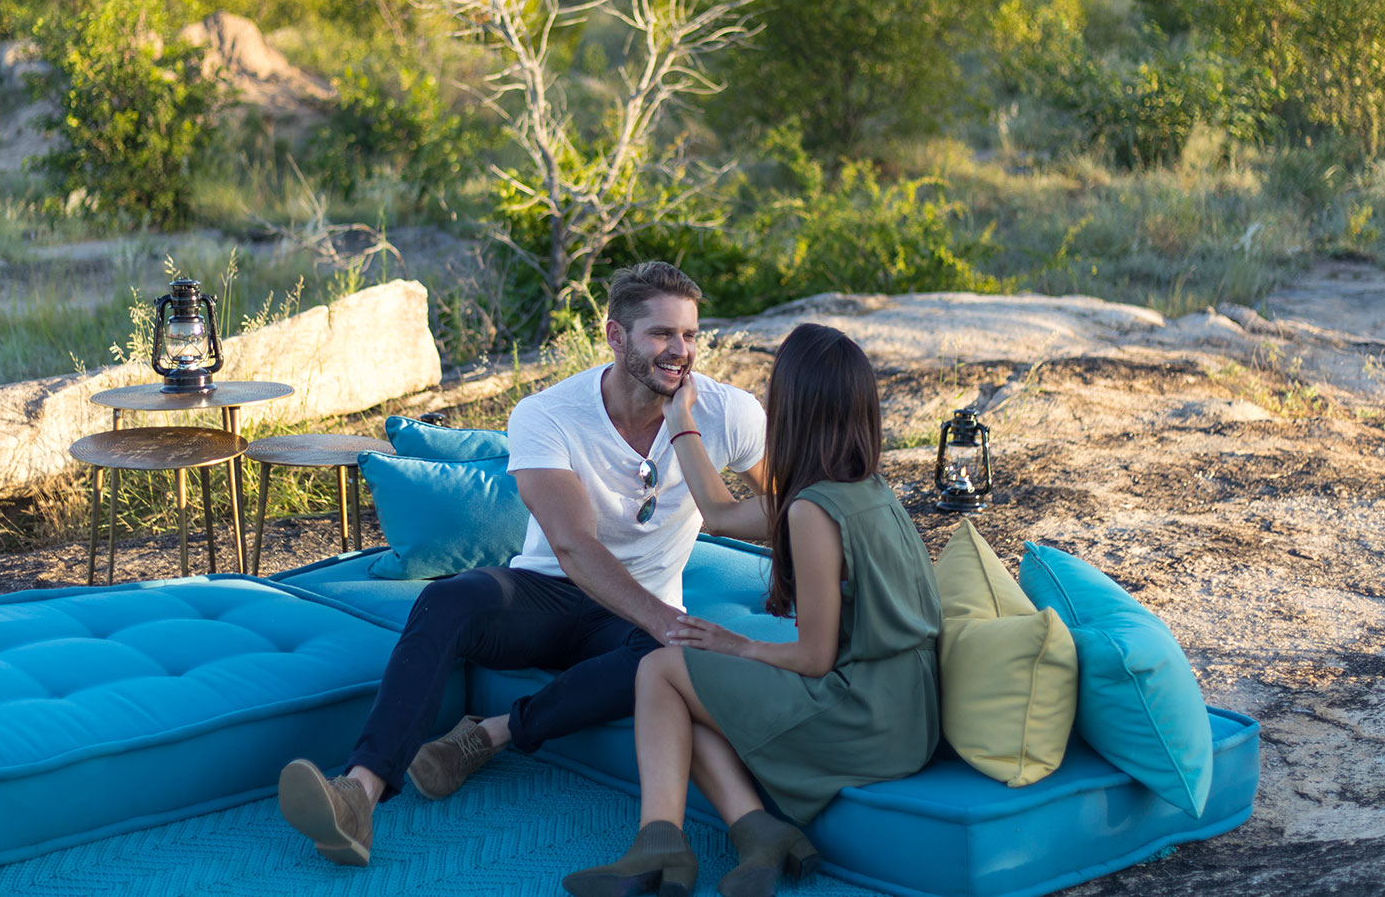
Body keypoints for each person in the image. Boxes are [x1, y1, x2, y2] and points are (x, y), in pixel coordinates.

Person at [278, 261, 767, 867]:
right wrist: (663, 620)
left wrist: (812, 577)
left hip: (635, 624)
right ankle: (359, 793)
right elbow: (572, 546)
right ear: (615, 336)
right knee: (448, 599)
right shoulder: (549, 413)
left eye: (690, 335)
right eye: (661, 334)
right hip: (548, 595)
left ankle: (494, 733)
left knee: (669, 657)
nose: (681, 352)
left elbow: (787, 506)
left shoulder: (726, 413)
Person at [563, 323, 943, 897]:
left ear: (790, 408)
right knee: (687, 686)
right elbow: (718, 513)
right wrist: (682, 419)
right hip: (911, 713)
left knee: (661, 667)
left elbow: (814, 659)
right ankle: (757, 832)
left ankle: (659, 843)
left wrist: (735, 644)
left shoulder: (812, 513)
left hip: (863, 722)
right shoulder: (865, 488)